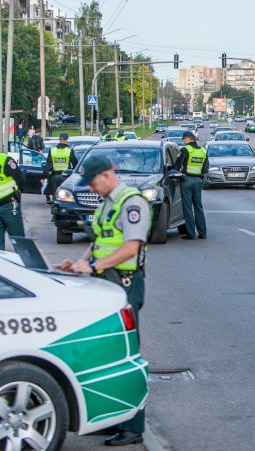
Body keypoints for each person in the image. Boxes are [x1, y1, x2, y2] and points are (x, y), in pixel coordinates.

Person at [56, 156, 150, 445]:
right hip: (105, 280)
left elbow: (132, 247)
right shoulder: (108, 201)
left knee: (126, 351)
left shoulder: (132, 202)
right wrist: (79, 263)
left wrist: (94, 266)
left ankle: (133, 427)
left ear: (108, 175)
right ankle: (114, 418)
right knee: (107, 352)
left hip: (124, 282)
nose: (92, 189)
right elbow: (99, 241)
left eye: (94, 182)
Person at [171, 131, 208, 240]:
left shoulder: (185, 150)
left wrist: (169, 169)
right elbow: (205, 169)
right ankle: (203, 233)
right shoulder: (203, 151)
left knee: (187, 208)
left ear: (187, 139)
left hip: (186, 181)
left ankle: (191, 234)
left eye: (183, 139)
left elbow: (177, 166)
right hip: (198, 181)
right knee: (198, 207)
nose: (183, 141)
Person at [43, 133, 78, 205]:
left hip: (54, 175)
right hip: (65, 175)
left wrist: (46, 173)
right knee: (64, 193)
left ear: (59, 140)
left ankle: (54, 204)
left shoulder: (52, 150)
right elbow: (75, 163)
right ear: (67, 140)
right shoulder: (69, 150)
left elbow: (48, 163)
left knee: (55, 192)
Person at [0, 151, 25, 251]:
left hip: (10, 203)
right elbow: (20, 179)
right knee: (18, 237)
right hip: (10, 203)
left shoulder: (5, 160)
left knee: (18, 237)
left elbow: (19, 178)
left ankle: (23, 262)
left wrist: (17, 195)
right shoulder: (5, 159)